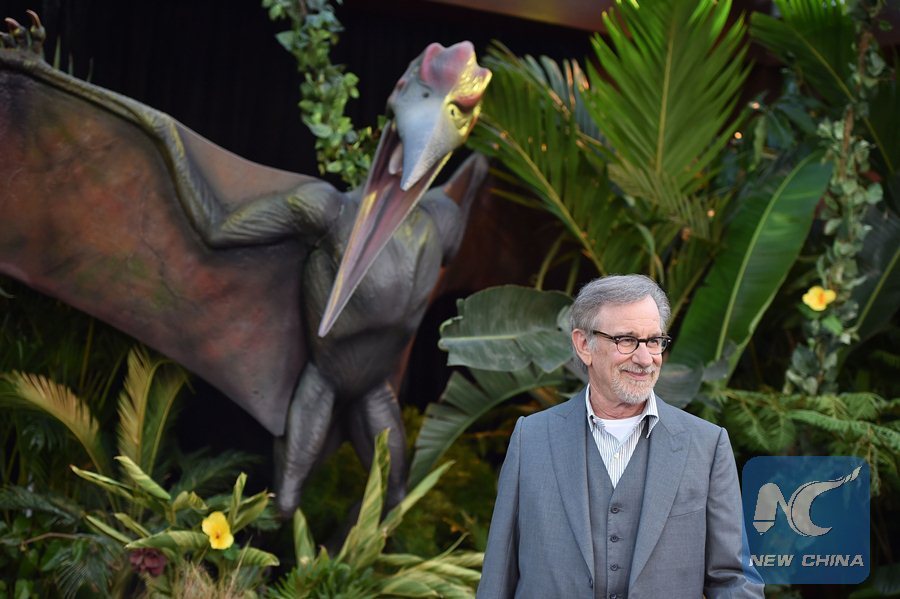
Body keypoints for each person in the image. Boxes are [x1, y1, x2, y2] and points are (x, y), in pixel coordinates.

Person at [477, 274, 763, 598]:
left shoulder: (707, 446)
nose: (644, 359)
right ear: (583, 345)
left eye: (653, 341)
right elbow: (498, 577)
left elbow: (732, 579)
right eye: (626, 340)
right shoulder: (530, 439)